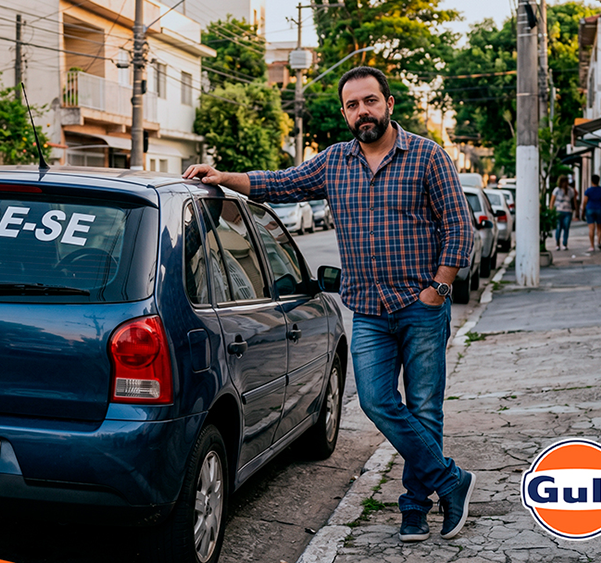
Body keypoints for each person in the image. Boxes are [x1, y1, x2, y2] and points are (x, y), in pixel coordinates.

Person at [182, 66, 476, 543]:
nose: (363, 111)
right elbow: (281, 183)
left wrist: (438, 289)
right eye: (353, 105)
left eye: (370, 101)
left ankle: (415, 506)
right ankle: (450, 481)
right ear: (345, 113)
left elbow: (458, 228)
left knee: (424, 409)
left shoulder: (428, 157)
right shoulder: (335, 161)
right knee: (379, 402)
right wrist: (223, 177)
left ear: (389, 104)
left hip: (421, 306)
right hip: (369, 312)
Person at [549, 175, 576, 251]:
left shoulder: (570, 190)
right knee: (558, 228)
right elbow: (552, 201)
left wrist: (576, 210)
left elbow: (573, 201)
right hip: (558, 211)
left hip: (568, 211)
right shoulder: (557, 190)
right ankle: (557, 243)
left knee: (566, 227)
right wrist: (551, 211)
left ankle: (565, 243)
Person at [582, 174, 601, 252]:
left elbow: (585, 201)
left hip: (589, 209)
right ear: (598, 181)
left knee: (591, 228)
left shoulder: (588, 190)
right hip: (599, 209)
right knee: (599, 227)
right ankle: (599, 242)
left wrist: (583, 211)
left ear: (591, 181)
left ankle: (592, 246)